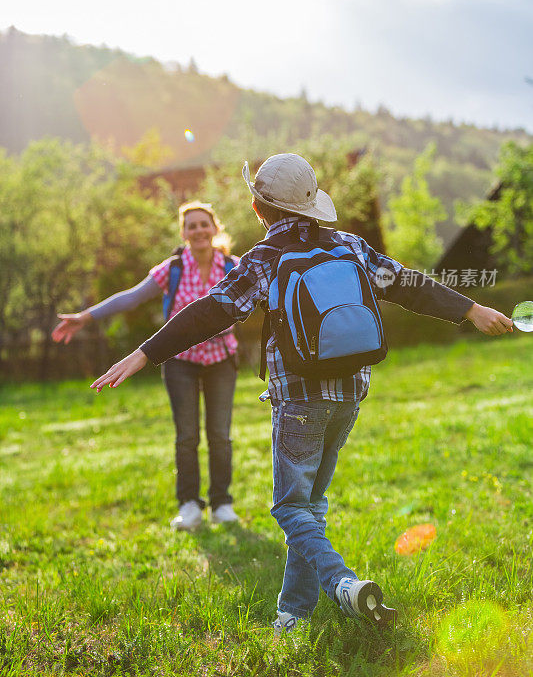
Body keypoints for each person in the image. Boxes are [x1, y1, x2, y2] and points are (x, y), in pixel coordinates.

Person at [89, 154, 514, 631]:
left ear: (257, 209)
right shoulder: (352, 246)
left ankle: (342, 584)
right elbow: (409, 285)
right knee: (310, 507)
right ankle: (292, 615)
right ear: (314, 205)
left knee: (291, 508)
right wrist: (471, 309)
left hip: (298, 402)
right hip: (350, 393)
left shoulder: (265, 259)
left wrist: (146, 352)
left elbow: (210, 312)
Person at [53, 201, 240, 530]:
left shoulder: (234, 266)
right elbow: (132, 297)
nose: (198, 230)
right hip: (179, 361)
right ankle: (189, 505)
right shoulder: (173, 268)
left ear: (215, 228)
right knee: (186, 435)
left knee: (220, 435)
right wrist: (85, 316)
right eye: (191, 225)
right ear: (183, 233)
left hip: (221, 359)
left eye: (203, 224)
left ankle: (222, 504)